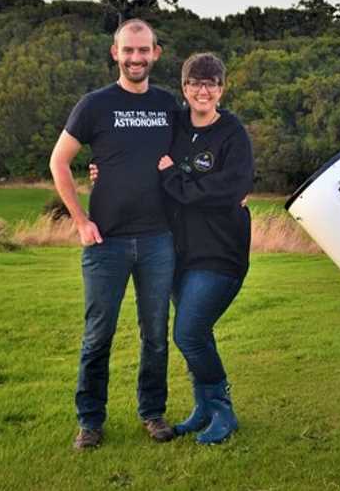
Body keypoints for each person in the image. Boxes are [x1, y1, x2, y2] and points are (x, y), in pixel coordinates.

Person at [90, 53, 254, 444]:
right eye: (196, 83)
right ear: (184, 88)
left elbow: (226, 190)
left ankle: (223, 410)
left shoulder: (233, 133)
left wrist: (173, 178)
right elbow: (136, 156)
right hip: (177, 253)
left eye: (212, 83)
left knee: (189, 332)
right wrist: (103, 171)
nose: (203, 90)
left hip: (220, 254)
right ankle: (202, 408)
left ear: (222, 89)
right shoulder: (174, 125)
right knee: (197, 334)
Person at [49, 18, 178, 450]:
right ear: (115, 53)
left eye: (144, 50)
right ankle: (90, 421)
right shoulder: (94, 105)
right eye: (129, 50)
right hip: (106, 242)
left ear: (156, 53)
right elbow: (59, 162)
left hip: (160, 239)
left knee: (155, 335)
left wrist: (226, 189)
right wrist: (81, 221)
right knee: (97, 336)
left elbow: (196, 152)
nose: (136, 58)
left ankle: (153, 413)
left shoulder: (169, 104)